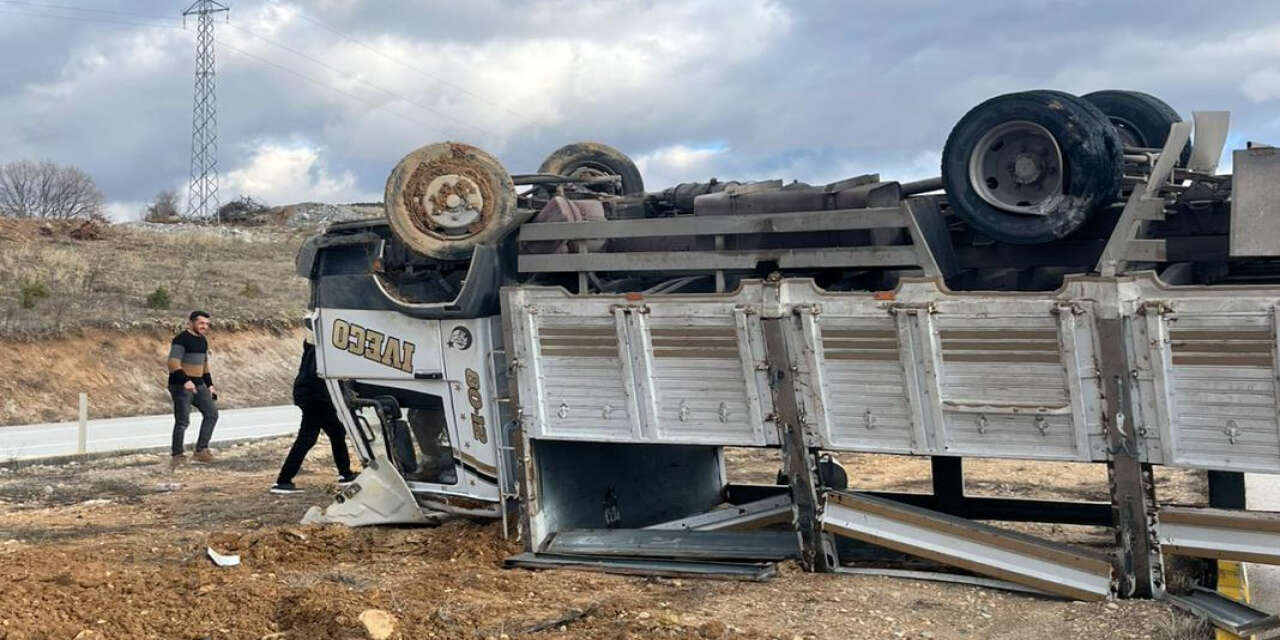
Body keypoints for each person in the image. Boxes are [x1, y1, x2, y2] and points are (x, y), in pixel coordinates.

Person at [270, 326, 356, 494]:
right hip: (316, 398)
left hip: (312, 396)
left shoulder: (317, 347)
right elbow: (318, 376)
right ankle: (283, 481)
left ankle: (345, 473)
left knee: (336, 433)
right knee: (308, 439)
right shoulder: (320, 351)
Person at [168, 310, 219, 467]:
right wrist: (185, 381)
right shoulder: (181, 339)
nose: (204, 326)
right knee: (183, 420)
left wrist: (209, 385)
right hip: (180, 384)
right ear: (191, 323)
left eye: (207, 324)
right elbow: (172, 363)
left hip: (199, 383)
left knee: (212, 414)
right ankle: (177, 455)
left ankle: (201, 450)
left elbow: (204, 365)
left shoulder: (203, 340)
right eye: (201, 323)